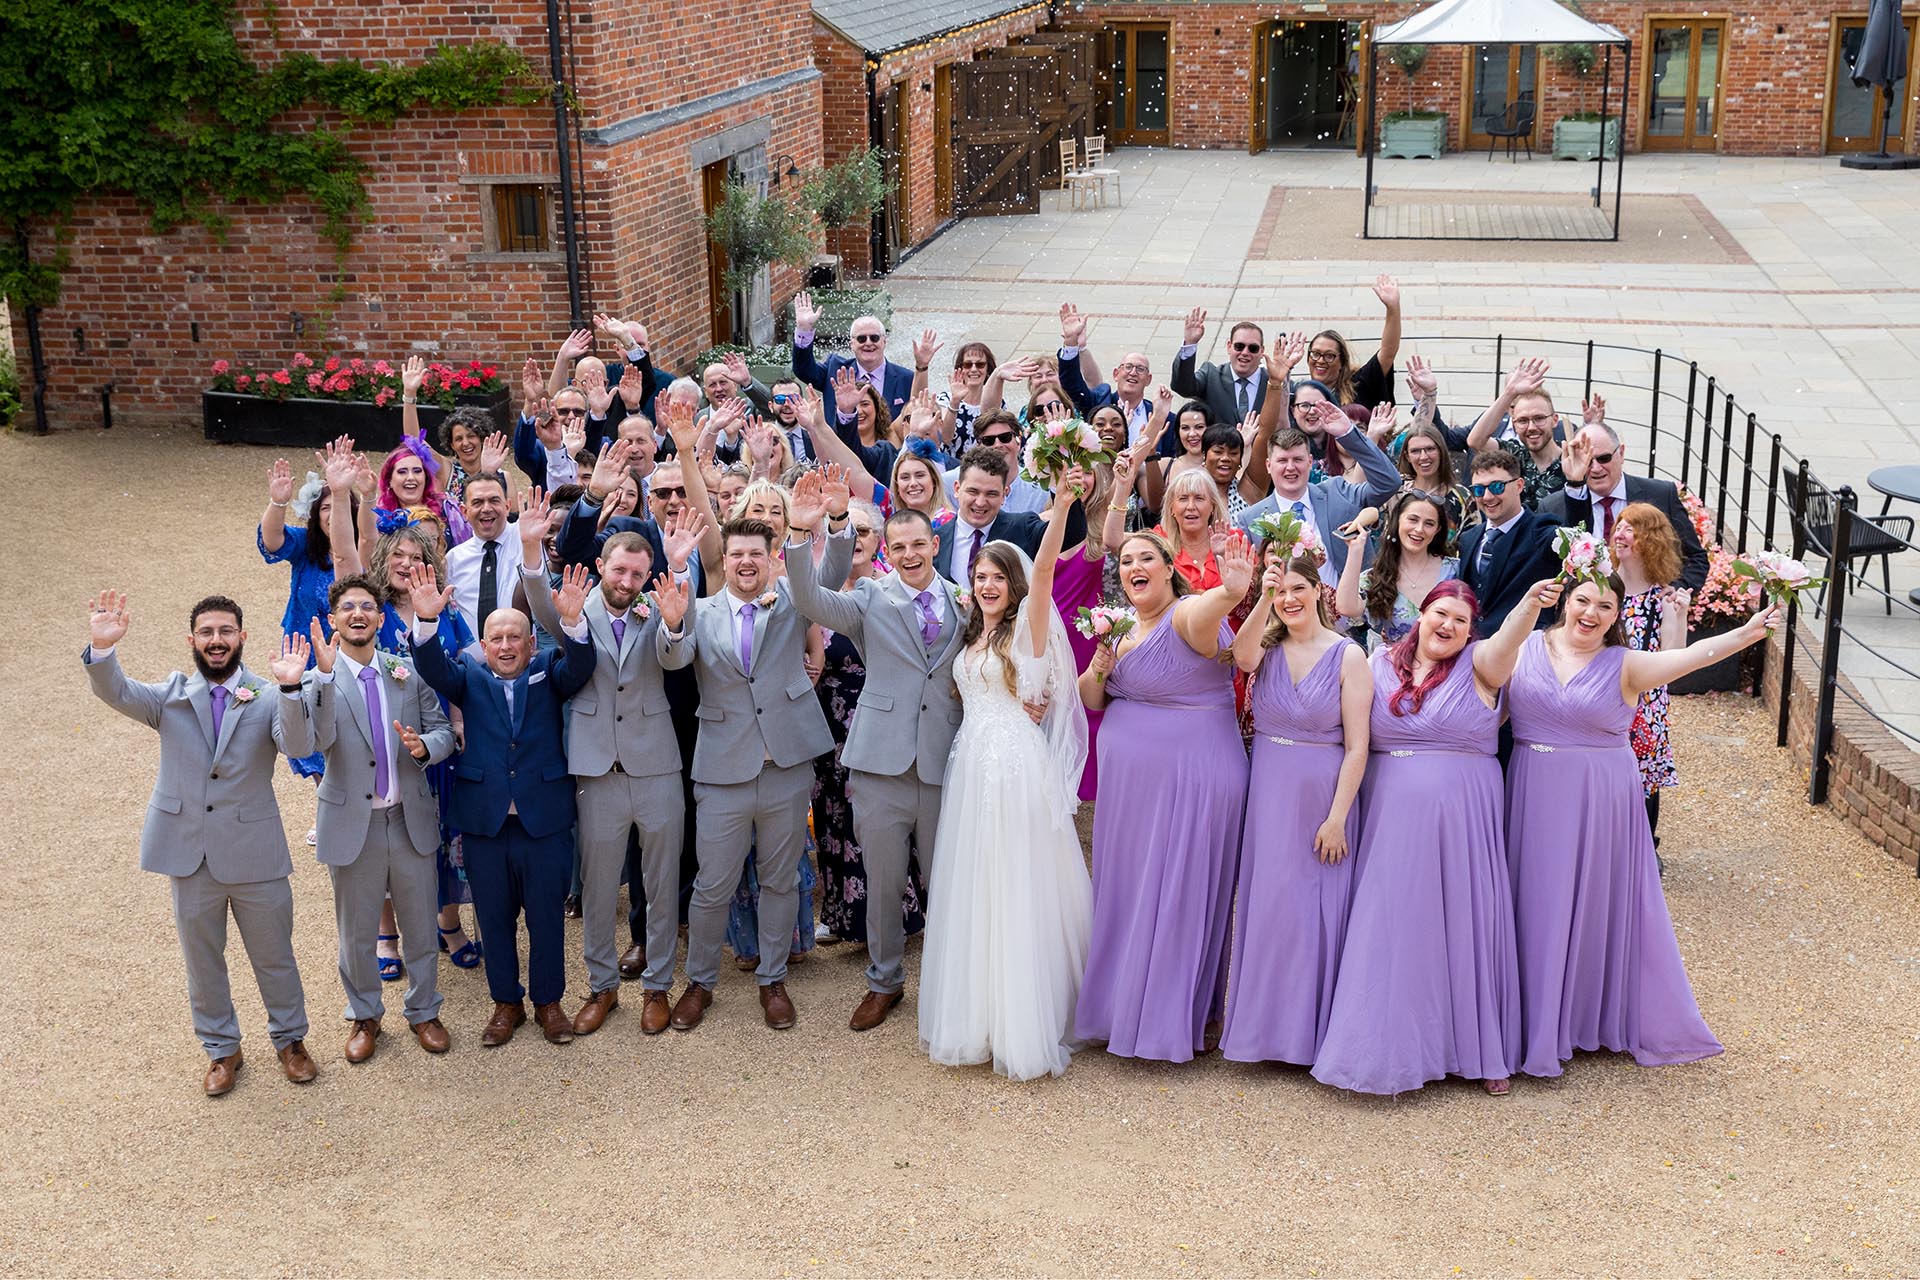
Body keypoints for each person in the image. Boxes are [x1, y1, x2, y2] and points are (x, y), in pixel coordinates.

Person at [1505, 576, 1778, 1079]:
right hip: (1532, 790)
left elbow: (1693, 658)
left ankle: (1582, 1016)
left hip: (1600, 799)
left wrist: (1748, 632)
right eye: (1583, 600)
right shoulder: (1524, 647)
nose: (1590, 613)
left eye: (1604, 606)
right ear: (1566, 601)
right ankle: (1525, 1017)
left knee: (1591, 902)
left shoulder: (1627, 665)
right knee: (1533, 899)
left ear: (1616, 615)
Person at [1311, 578, 1556, 1098]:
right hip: (1389, 819)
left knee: (1465, 922)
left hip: (1464, 817)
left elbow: (1510, 641)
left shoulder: (1482, 666)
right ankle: (1388, 1047)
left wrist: (1530, 604)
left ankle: (1478, 1049)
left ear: (1471, 631)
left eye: (1461, 620)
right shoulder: (1375, 664)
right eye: (1440, 614)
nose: (1448, 626)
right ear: (1421, 614)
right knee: (1396, 926)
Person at [84, 591, 316, 1095]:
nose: (217, 641)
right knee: (202, 959)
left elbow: (299, 747)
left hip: (257, 853)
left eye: (226, 632)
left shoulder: (271, 693)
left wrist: (294, 689)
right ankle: (221, 1049)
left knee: (275, 955)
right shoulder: (169, 696)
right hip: (189, 854)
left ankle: (291, 1041)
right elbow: (118, 692)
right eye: (207, 633)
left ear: (242, 637)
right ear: (192, 640)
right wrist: (102, 651)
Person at [920, 481, 1095, 1080]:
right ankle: (979, 1016)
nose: (987, 585)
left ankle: (1026, 1021)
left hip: (1016, 765)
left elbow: (1045, 571)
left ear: (1013, 585)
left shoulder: (1029, 632)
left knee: (1018, 883)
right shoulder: (970, 632)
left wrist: (1066, 503)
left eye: (997, 577)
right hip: (971, 764)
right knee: (976, 886)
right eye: (980, 577)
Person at [785, 473, 971, 1030]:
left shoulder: (967, 599)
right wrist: (810, 529)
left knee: (948, 880)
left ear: (935, 545)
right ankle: (884, 981)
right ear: (888, 552)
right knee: (885, 882)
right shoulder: (869, 596)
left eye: (920, 544)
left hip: (945, 761)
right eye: (900, 547)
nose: (911, 554)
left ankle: (952, 983)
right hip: (880, 765)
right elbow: (808, 597)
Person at [518, 499, 705, 1037]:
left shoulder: (660, 605)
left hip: (656, 766)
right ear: (601, 565)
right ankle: (601, 987)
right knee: (599, 887)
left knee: (662, 881)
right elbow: (536, 593)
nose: (627, 580)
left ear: (648, 577)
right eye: (619, 569)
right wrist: (532, 547)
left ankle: (656, 986)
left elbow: (678, 657)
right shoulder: (573, 604)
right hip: (596, 767)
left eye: (637, 573)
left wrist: (672, 624)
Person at [400, 560, 597, 1048]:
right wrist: (426, 623)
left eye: (516, 637)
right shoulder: (466, 674)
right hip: (485, 820)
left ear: (531, 644)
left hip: (544, 819)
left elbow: (582, 666)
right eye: (497, 639)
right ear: (483, 646)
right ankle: (505, 1002)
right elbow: (431, 667)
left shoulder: (550, 672)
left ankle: (549, 1002)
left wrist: (571, 623)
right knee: (492, 916)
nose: (507, 646)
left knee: (546, 917)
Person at [1075, 529, 1255, 1062]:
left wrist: (1229, 592)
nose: (1135, 566)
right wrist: (1101, 665)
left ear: (1167, 567)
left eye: (1145, 558)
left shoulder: (1185, 614)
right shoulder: (1119, 627)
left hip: (1194, 774)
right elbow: (1092, 698)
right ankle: (1118, 1008)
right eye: (1126, 559)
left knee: (1181, 886)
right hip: (1129, 788)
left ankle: (1176, 1016)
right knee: (1127, 890)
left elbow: (1204, 616)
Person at [661, 517, 834, 1033]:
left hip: (785, 764)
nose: (745, 563)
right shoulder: (699, 608)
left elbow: (837, 569)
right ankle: (699, 983)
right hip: (721, 769)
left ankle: (773, 978)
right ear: (725, 559)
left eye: (755, 554)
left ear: (771, 557)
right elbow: (673, 662)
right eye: (736, 554)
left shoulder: (793, 598)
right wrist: (672, 625)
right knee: (713, 884)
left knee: (780, 880)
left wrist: (822, 526)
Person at [281, 575, 457, 1061]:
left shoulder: (405, 672)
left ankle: (424, 1011)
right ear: (334, 620)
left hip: (407, 819)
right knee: (357, 933)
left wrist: (427, 747)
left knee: (421, 926)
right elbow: (305, 745)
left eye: (366, 607)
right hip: (352, 825)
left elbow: (442, 729)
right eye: (347, 608)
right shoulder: (321, 679)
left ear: (380, 618)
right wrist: (312, 682)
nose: (358, 614)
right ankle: (364, 1016)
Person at [1220, 548, 1370, 1066]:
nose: (1289, 599)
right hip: (1269, 788)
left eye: (1297, 589)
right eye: (1281, 591)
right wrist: (1261, 594)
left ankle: (1309, 1036)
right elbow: (1240, 658)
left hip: (1321, 794)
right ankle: (1263, 1033)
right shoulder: (1265, 646)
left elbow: (1358, 746)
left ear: (1318, 592)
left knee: (1315, 912)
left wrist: (1337, 817)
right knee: (1268, 908)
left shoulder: (1348, 655)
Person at [796, 501, 930, 949]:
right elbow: (806, 607)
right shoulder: (837, 592)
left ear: (877, 543)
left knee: (896, 826)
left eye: (864, 531)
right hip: (834, 724)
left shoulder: (917, 593)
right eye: (846, 532)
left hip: (899, 726)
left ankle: (909, 913)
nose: (856, 540)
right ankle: (844, 916)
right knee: (840, 821)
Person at [367, 525, 484, 970]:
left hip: (441, 746)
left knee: (443, 837)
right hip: (387, 746)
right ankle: (386, 935)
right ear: (383, 559)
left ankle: (447, 924)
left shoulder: (447, 609)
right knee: (388, 838)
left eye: (416, 556)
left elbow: (464, 667)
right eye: (397, 554)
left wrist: (457, 720)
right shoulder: (371, 611)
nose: (406, 563)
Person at [1235, 408, 1401, 585]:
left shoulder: (1338, 492)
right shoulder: (1251, 519)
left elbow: (1389, 482)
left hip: (1346, 609)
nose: (1290, 467)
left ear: (1309, 461)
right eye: (1282, 461)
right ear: (1269, 465)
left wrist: (1349, 435)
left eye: (1298, 459)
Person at [1542, 423, 1709, 590]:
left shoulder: (1661, 495)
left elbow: (1695, 558)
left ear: (1621, 453)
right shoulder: (1554, 507)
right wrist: (1575, 484)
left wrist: (1674, 591)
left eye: (1604, 458)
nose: (1595, 468)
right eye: (1587, 461)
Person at [1610, 504, 1691, 845]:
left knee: (1644, 773)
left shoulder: (1662, 598)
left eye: (1631, 529)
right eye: (1619, 526)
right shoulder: (1603, 589)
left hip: (1645, 703)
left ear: (1650, 540)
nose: (1620, 534)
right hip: (1606, 693)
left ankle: (1645, 844)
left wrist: (1681, 614)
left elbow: (1674, 657)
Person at [936, 446, 1088, 585]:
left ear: (1004, 494)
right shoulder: (937, 539)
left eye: (992, 494)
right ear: (957, 489)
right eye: (973, 492)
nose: (980, 502)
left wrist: (1062, 495)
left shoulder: (1022, 528)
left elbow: (1071, 533)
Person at [1335, 489, 1460, 652]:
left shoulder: (1455, 570)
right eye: (1413, 520)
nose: (1419, 529)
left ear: (1437, 530)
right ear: (1398, 521)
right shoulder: (1377, 576)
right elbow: (1346, 607)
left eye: (1429, 523)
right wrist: (1355, 549)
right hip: (1394, 670)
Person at [1457, 448, 1562, 638]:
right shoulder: (1468, 538)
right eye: (1479, 489)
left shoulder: (1541, 531)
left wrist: (1576, 486)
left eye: (1497, 486)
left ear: (1519, 485)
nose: (1488, 497)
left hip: (1523, 651)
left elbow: (1574, 543)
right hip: (1471, 651)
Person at [1464, 357, 1574, 510]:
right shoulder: (1514, 454)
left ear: (1554, 420)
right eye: (1522, 421)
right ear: (1513, 424)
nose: (1531, 427)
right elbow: (1475, 441)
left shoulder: (1571, 463)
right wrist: (1509, 393)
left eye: (1539, 418)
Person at [792, 293, 913, 418]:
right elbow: (803, 370)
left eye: (874, 338)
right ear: (852, 344)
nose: (868, 343)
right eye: (861, 339)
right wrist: (804, 329)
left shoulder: (906, 378)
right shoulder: (835, 370)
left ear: (884, 341)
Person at [1302, 274, 1403, 410]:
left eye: (1329, 356)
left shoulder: (1358, 385)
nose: (1320, 360)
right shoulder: (1301, 395)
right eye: (1315, 353)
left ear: (1342, 362)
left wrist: (1393, 309)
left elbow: (1388, 352)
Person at [442, 474, 524, 628]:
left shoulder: (526, 540)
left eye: (494, 500)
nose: (486, 508)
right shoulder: (453, 560)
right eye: (477, 502)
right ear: (464, 511)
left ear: (507, 507)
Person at [1171, 311, 1272, 427]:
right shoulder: (1211, 376)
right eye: (1239, 346)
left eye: (1253, 348)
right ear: (1229, 346)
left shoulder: (1273, 383)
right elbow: (1183, 387)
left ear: (1262, 351)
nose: (1245, 352)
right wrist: (1190, 344)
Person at [376, 437, 471, 545]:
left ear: (426, 478)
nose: (411, 477)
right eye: (402, 472)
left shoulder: (447, 508)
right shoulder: (380, 518)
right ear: (389, 481)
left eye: (417, 471)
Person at [1395, 422, 1472, 540]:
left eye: (1430, 449)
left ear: (1441, 452)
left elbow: (1471, 545)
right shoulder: (1396, 492)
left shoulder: (1462, 497)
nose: (1423, 456)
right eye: (1415, 451)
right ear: (1407, 456)